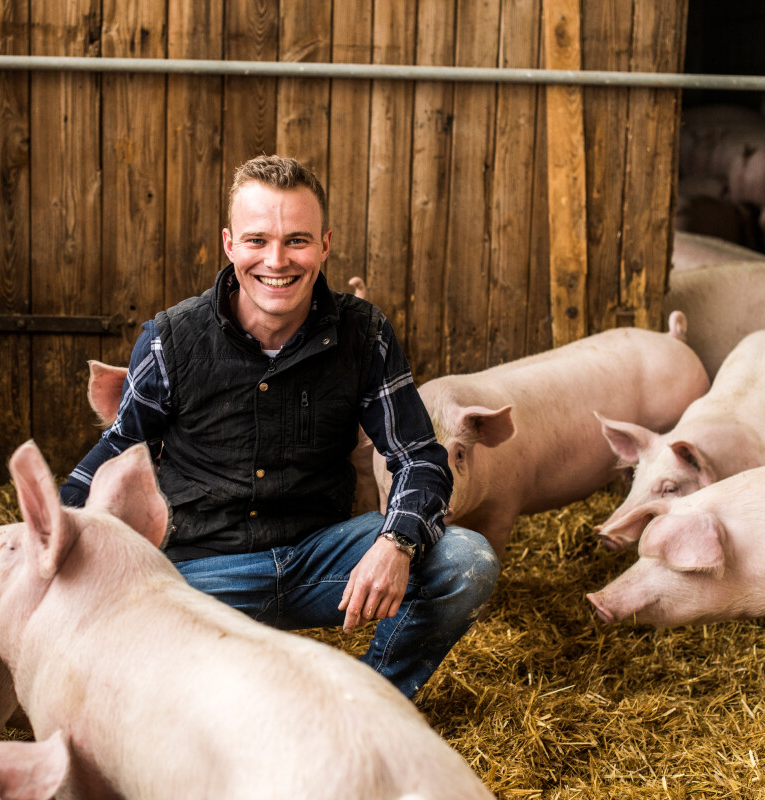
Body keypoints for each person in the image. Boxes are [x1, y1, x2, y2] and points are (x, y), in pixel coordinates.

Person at [59, 154, 498, 698]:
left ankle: (371, 702)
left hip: (324, 557)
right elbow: (116, 451)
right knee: (124, 642)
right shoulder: (169, 340)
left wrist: (396, 544)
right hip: (202, 572)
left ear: (325, 244)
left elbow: (418, 457)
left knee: (466, 563)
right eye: (256, 240)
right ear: (229, 244)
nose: (277, 260)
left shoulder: (365, 334)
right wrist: (50, 536)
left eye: (297, 240)